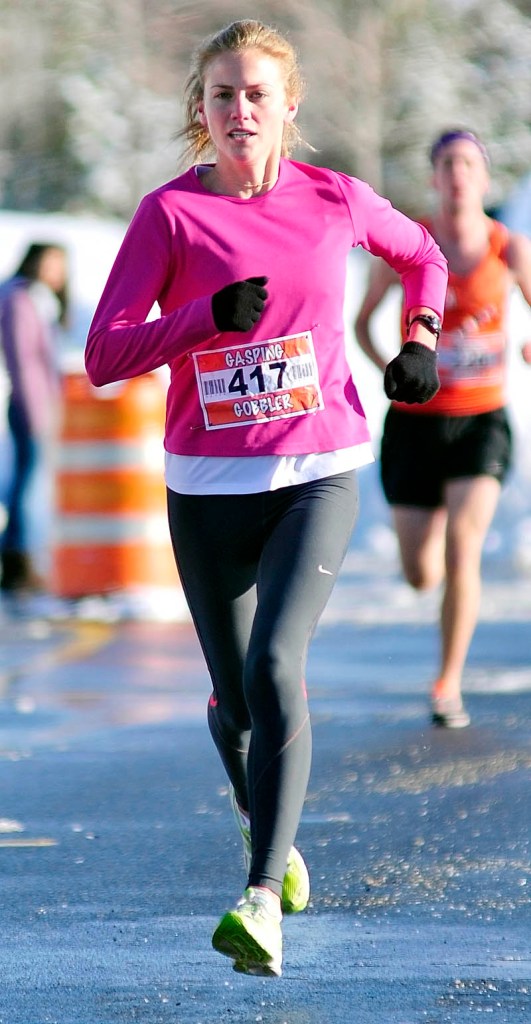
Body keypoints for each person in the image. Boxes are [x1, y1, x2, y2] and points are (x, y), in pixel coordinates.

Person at [85, 19, 447, 978]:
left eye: (255, 94)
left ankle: (257, 899)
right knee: (235, 700)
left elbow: (422, 256)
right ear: (199, 114)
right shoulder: (169, 217)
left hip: (316, 468)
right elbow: (104, 355)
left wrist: (419, 337)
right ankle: (274, 835)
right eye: (220, 96)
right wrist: (201, 318)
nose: (239, 110)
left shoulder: (335, 198)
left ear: (289, 106)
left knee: (277, 665)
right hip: (205, 481)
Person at [355, 128, 531, 729]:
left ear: (483, 176)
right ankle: (433, 608)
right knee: (419, 571)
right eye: (446, 164)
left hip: (482, 421)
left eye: (467, 163)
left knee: (464, 549)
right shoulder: (412, 243)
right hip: (414, 426)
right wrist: (396, 371)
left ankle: (447, 684)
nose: (457, 173)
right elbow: (361, 323)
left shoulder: (510, 246)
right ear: (434, 177)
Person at [0, 242, 68, 595]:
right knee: (31, 484)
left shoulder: (39, 299)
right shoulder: (19, 298)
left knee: (32, 481)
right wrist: (35, 410)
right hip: (32, 405)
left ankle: (20, 557)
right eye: (50, 263)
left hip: (41, 402)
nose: (56, 272)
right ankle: (22, 561)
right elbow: (22, 359)